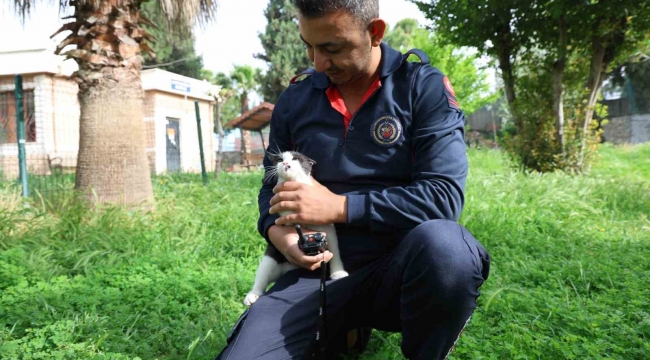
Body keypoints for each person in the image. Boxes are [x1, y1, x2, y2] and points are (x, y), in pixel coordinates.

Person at [215, 0, 491, 359]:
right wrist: (279, 234)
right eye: (309, 47)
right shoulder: (296, 98)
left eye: (332, 48)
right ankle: (341, 329)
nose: (318, 63)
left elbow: (443, 198)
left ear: (374, 33)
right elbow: (271, 190)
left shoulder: (423, 87)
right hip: (319, 270)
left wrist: (339, 207)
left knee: (448, 249)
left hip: (401, 267)